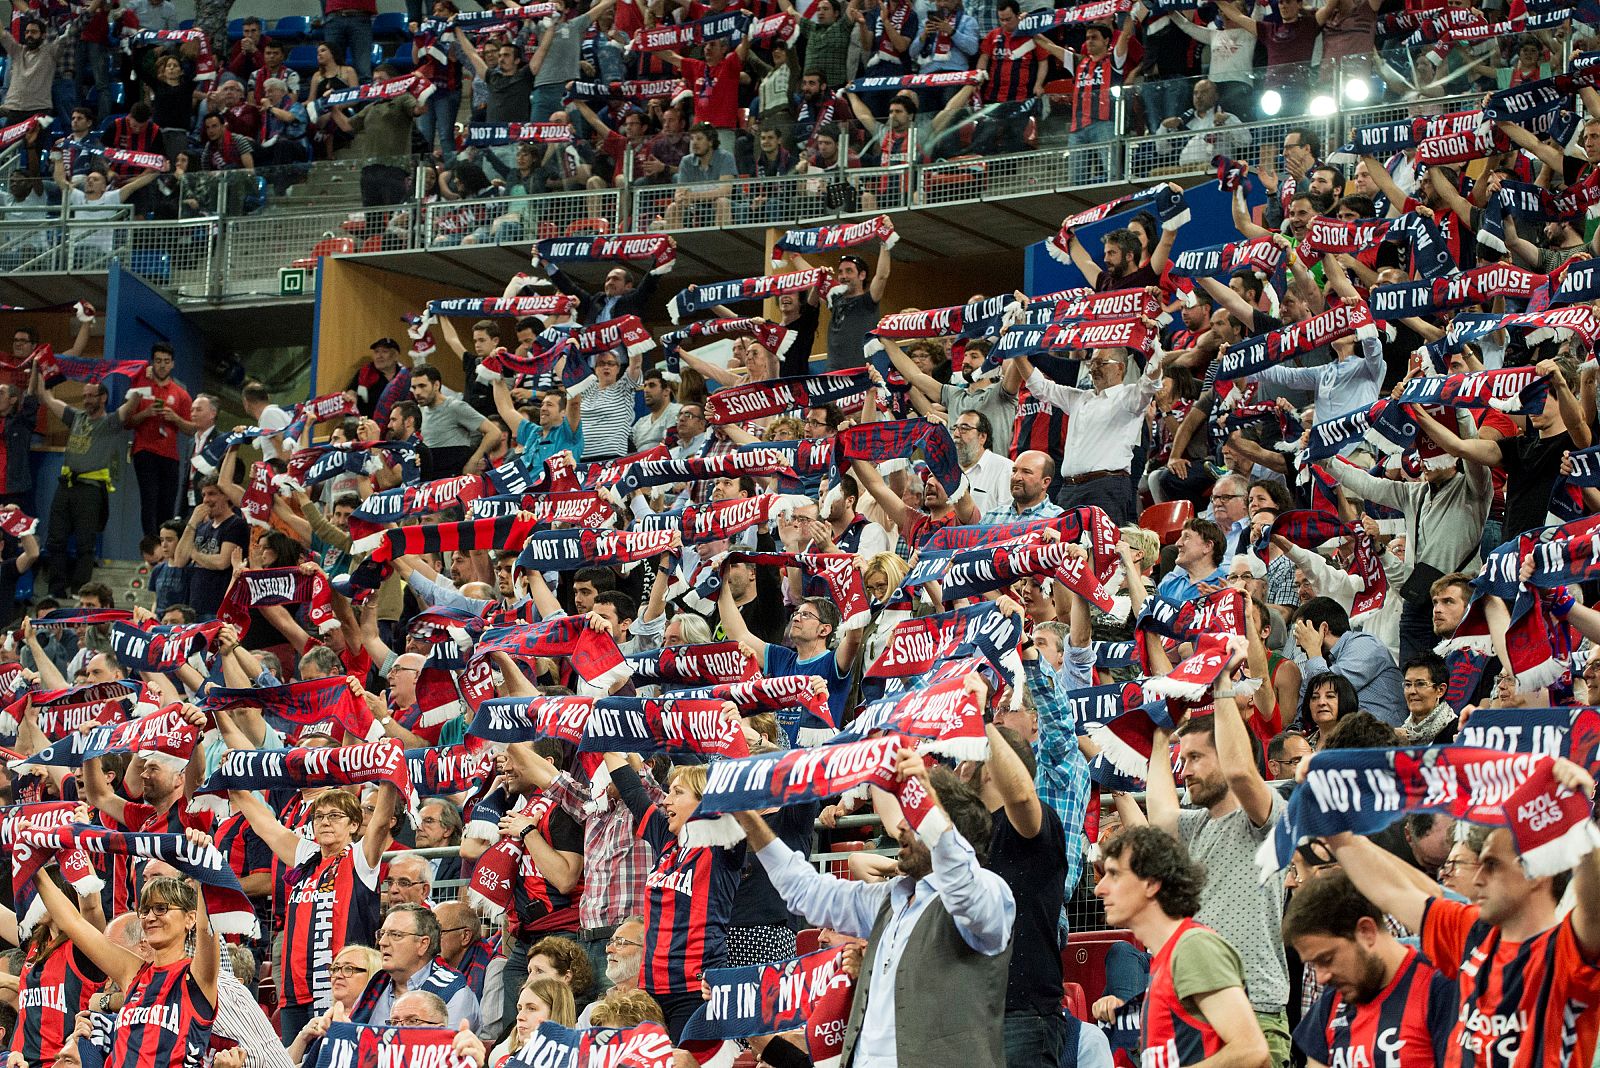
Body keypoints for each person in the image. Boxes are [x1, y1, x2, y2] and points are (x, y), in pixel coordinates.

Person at [736, 743, 1015, 1068]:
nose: (899, 828)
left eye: (913, 817)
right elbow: (805, 890)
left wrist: (930, 813)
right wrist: (749, 820)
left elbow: (962, 886)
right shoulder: (889, 899)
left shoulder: (989, 893)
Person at [1328, 758, 1600, 1068]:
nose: (1478, 878)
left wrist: (1579, 823)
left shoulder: (1567, 951)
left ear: (1536, 873)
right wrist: (1334, 830)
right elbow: (1392, 891)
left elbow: (1595, 908)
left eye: (1492, 865)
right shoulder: (1474, 930)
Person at [1119, 643, 1293, 1063]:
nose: (1187, 770)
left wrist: (1221, 686)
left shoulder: (1269, 816)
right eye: (1185, 760)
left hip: (1256, 1011)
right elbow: (1161, 814)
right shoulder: (1198, 824)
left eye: (1196, 757)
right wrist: (1160, 734)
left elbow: (1238, 772)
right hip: (1198, 1018)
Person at [229, 783, 398, 1041]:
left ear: (354, 825)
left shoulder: (360, 858)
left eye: (335, 816)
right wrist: (236, 787)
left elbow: (381, 821)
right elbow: (266, 825)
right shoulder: (306, 856)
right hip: (294, 989)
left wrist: (389, 778)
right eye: (319, 816)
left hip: (341, 989)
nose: (325, 822)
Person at [1096, 826, 1271, 1068]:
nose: (1099, 888)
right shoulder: (1168, 957)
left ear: (1151, 883)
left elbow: (1252, 1051)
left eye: (1114, 875)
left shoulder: (1192, 947)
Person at [604, 753, 746, 1042]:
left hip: (696, 991)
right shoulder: (666, 841)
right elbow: (631, 790)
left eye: (677, 793)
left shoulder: (721, 847)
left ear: (706, 802)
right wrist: (605, 728)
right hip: (649, 991)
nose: (666, 801)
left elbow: (738, 792)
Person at [33, 869, 219, 1068]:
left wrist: (202, 863)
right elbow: (74, 923)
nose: (150, 917)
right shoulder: (134, 973)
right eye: (145, 910)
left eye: (161, 908)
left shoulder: (198, 977)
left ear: (190, 918)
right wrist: (34, 869)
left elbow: (208, 924)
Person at [1282, 872, 1456, 1068]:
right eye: (1314, 964)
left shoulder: (1439, 988)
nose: (1322, 977)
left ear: (1366, 932)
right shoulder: (1333, 999)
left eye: (1327, 959)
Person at [32, 362, 137, 599]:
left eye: (91, 396)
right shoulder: (76, 417)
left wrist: (139, 383)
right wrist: (40, 368)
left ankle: (80, 592)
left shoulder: (109, 422)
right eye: (84, 396)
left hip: (90, 491)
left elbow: (130, 407)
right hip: (66, 486)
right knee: (55, 540)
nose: (87, 400)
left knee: (84, 544)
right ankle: (56, 591)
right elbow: (46, 398)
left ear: (103, 397)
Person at [355, 904, 479, 1029]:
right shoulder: (375, 986)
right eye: (382, 934)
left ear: (423, 944)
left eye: (396, 935)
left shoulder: (454, 992)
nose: (382, 942)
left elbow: (446, 1046)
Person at [126, 343, 196, 538]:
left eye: (166, 361)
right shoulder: (140, 386)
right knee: (149, 499)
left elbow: (192, 429)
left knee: (167, 502)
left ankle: (165, 545)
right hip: (145, 451)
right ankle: (151, 545)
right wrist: (146, 413)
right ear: (152, 363)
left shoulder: (181, 394)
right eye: (158, 361)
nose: (162, 366)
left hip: (169, 455)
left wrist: (175, 419)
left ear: (173, 364)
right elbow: (126, 422)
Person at [410, 365, 502, 479]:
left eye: (422, 386)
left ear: (436, 385)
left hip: (452, 479)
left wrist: (474, 460)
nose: (417, 392)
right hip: (431, 480)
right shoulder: (420, 411)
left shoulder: (455, 407)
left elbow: (494, 432)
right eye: (414, 387)